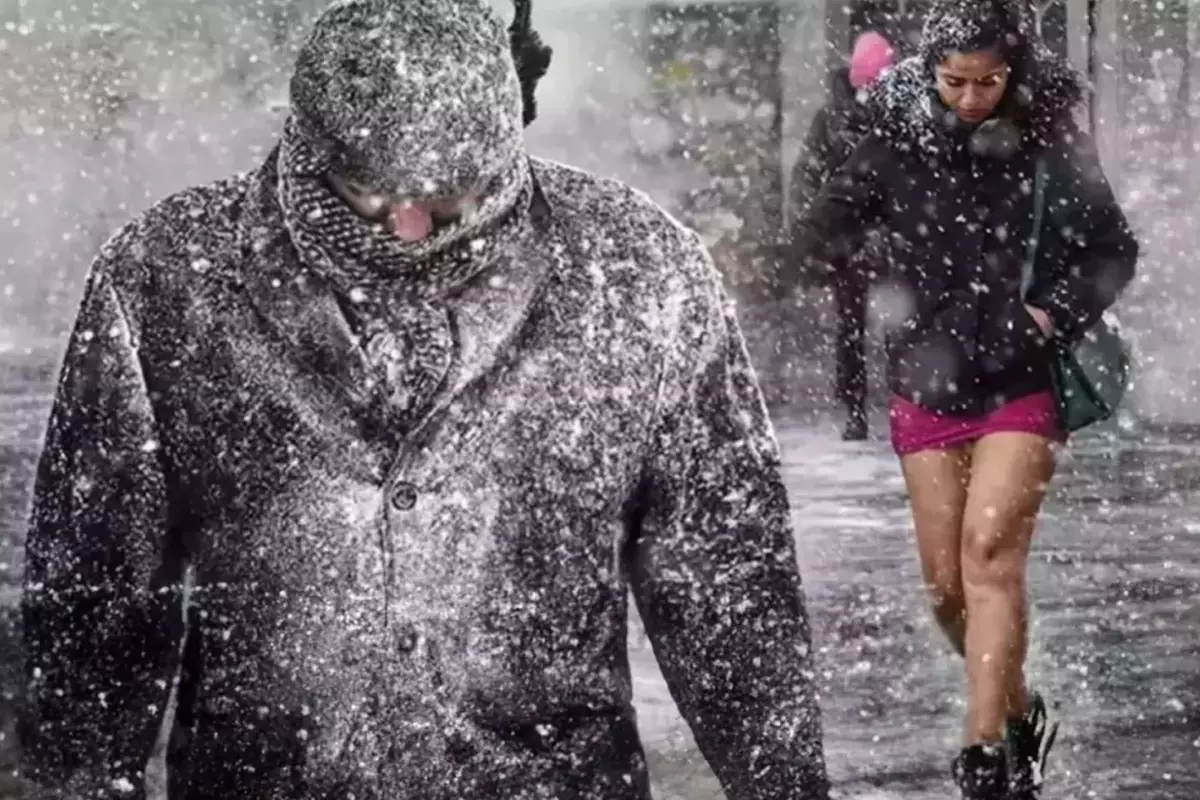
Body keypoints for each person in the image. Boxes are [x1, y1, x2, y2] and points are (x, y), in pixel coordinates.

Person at [18, 1, 830, 798]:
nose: (410, 228)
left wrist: (784, 782)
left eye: (448, 199)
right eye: (368, 194)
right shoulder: (165, 280)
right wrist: (82, 777)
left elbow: (726, 577)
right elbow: (96, 597)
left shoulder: (639, 273)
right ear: (308, 146)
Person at [791, 1, 1138, 798]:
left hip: (1020, 379)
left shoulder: (1050, 139)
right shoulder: (894, 140)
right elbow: (816, 237)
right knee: (948, 587)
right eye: (956, 82)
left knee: (989, 556)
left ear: (1012, 72)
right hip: (927, 379)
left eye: (989, 82)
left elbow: (1113, 249)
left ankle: (983, 756)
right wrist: (883, 260)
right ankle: (1019, 710)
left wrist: (1052, 310)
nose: (973, 98)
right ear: (931, 73)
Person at [790, 31, 896, 441]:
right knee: (852, 328)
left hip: (889, 238)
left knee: (895, 326)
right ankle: (855, 408)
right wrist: (812, 229)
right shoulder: (831, 119)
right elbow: (808, 175)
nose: (871, 91)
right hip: (848, 240)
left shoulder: (898, 115)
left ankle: (899, 404)